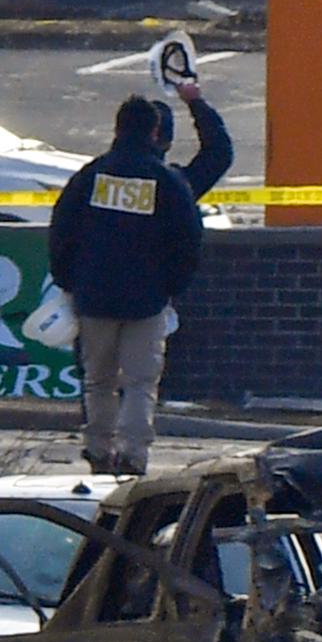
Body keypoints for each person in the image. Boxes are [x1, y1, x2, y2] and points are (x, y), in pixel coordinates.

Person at [49, 96, 204, 476]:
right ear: (154, 132)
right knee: (140, 383)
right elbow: (189, 239)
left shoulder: (91, 176)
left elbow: (62, 230)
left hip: (94, 297)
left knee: (97, 380)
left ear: (117, 128)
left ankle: (98, 450)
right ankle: (133, 455)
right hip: (146, 301)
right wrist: (171, 287)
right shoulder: (166, 182)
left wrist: (69, 282)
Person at [152, 81, 233, 198]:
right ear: (167, 144)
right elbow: (219, 153)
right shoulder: (173, 185)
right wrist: (195, 102)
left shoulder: (116, 172)